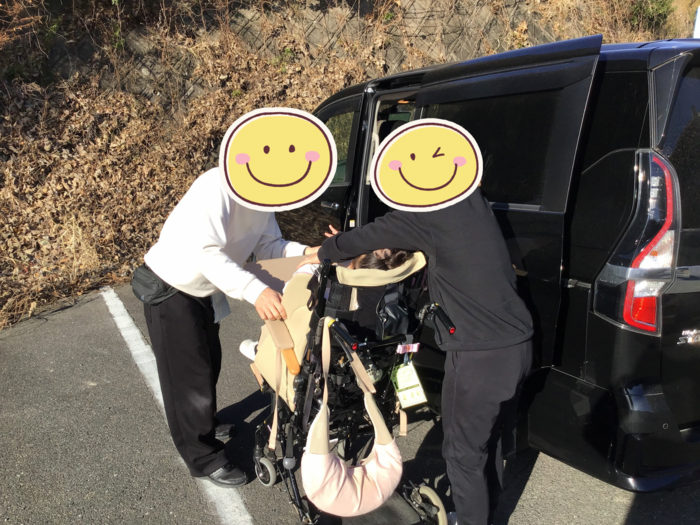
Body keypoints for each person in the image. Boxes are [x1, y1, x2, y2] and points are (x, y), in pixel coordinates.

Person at [299, 189, 534, 525]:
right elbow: (385, 236)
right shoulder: (472, 204)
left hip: (478, 357)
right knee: (488, 440)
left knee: (463, 454)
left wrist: (326, 250)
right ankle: (487, 516)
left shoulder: (429, 213)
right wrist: (353, 242)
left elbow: (378, 234)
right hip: (518, 344)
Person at [140, 167, 318, 488]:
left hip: (205, 288)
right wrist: (256, 291)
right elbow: (205, 252)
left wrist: (307, 253)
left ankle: (203, 423)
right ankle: (202, 456)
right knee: (188, 377)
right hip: (172, 286)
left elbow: (270, 245)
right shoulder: (217, 185)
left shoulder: (264, 195)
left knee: (210, 361)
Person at [239, 248, 413, 360]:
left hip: (311, 351)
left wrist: (333, 253)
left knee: (276, 316)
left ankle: (261, 351)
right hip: (370, 354)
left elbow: (290, 304)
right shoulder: (393, 295)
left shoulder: (325, 283)